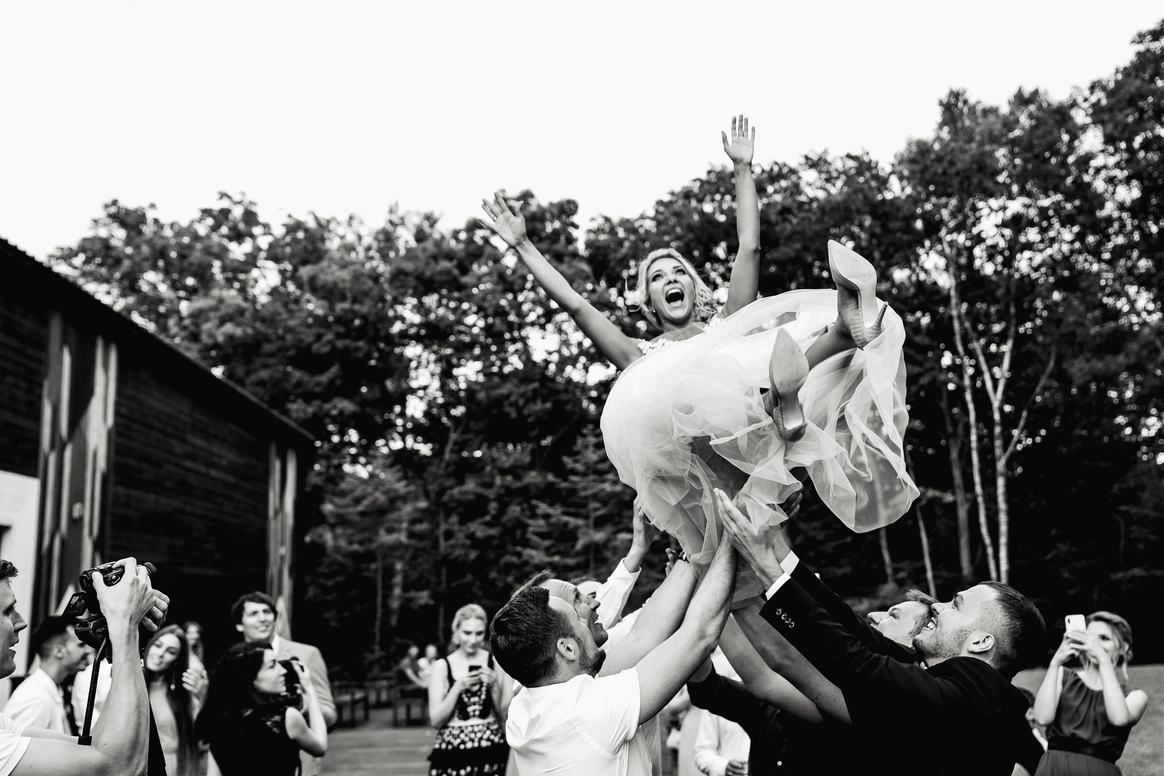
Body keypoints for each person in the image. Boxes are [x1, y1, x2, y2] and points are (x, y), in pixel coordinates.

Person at [479, 116, 916, 598]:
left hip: (749, 432)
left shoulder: (725, 327)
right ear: (648, 301)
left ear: (695, 286)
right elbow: (577, 305)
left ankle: (834, 343)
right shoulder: (642, 356)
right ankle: (794, 389)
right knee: (705, 390)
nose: (670, 279)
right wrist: (523, 244)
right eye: (658, 277)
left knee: (770, 356)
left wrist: (743, 169)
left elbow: (749, 247)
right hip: (706, 466)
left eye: (678, 272)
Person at [718, 490, 1046, 776]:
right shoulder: (951, 684)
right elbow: (857, 630)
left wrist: (765, 566)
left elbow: (857, 661)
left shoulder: (972, 706)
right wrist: (775, 543)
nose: (937, 606)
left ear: (981, 642)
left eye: (956, 605)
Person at [491, 536, 737, 776]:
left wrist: (690, 546)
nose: (590, 618)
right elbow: (700, 635)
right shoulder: (589, 710)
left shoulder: (525, 707)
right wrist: (728, 534)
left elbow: (644, 635)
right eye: (578, 619)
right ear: (567, 649)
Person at [0, 557, 168, 776]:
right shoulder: (34, 699)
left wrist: (129, 640)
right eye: (7, 611)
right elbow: (120, 769)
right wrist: (124, 625)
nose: (21, 622)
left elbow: (93, 747)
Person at [231, 591, 335, 776]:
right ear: (239, 624)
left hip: (297, 765)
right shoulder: (233, 662)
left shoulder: (307, 654)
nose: (262, 618)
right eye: (253, 614)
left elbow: (330, 715)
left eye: (267, 612)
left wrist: (302, 704)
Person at [1032, 612, 1147, 775]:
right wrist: (1055, 663)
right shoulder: (1062, 676)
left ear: (1123, 647)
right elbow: (1042, 718)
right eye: (1090, 637)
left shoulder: (1136, 696)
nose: (1094, 644)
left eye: (1104, 638)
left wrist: (1103, 660)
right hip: (1054, 767)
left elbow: (1119, 718)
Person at [196, 642, 327, 776]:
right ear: (251, 679)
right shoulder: (286, 718)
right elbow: (320, 746)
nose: (283, 670)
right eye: (272, 665)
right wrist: (309, 689)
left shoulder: (219, 726)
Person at [427, 604, 510, 776]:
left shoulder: (496, 662)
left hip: (491, 750)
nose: (473, 640)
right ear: (456, 631)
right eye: (467, 633)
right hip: (452, 752)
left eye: (478, 633)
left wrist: (494, 686)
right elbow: (435, 720)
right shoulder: (442, 666)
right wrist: (457, 688)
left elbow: (506, 714)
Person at [4, 617, 92, 734]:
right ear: (58, 651)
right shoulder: (36, 699)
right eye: (81, 645)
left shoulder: (51, 690)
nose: (88, 651)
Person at [143, 624, 207, 776]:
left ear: (177, 660)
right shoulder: (130, 685)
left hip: (173, 768)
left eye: (170, 652)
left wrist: (202, 699)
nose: (160, 654)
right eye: (158, 645)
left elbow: (200, 742)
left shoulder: (182, 694)